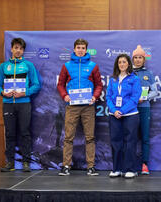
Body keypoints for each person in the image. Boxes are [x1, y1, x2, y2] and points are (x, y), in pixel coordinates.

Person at [57, 38, 103, 176]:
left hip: (88, 106)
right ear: (74, 49)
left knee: (90, 137)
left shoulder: (93, 66)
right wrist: (65, 95)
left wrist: (95, 96)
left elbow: (99, 85)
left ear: (86, 50)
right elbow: (60, 84)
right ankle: (66, 166)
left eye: (83, 48)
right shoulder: (67, 66)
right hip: (72, 106)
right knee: (68, 137)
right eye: (78, 48)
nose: (81, 50)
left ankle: (91, 166)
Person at [0, 38, 41, 172]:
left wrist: (24, 93)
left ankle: (26, 162)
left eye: (20, 48)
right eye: (16, 48)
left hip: (24, 103)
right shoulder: (4, 66)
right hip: (8, 104)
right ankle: (10, 162)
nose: (18, 50)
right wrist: (3, 93)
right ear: (12, 49)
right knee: (9, 133)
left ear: (23, 51)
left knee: (25, 133)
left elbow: (36, 85)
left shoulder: (29, 65)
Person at [106, 54, 142, 179]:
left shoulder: (134, 79)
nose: (122, 64)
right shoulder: (112, 80)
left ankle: (130, 169)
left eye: (124, 62)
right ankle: (117, 169)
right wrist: (114, 110)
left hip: (130, 114)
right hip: (114, 115)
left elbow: (135, 97)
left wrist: (122, 110)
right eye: (120, 62)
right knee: (116, 142)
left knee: (130, 142)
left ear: (128, 64)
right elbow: (108, 97)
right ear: (117, 64)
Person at [132, 45, 158, 175]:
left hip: (144, 108)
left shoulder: (149, 74)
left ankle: (144, 164)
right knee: (130, 137)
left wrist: (145, 97)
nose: (137, 60)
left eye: (140, 57)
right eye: (135, 57)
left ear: (144, 59)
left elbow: (155, 92)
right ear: (132, 59)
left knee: (145, 137)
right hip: (130, 110)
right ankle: (130, 165)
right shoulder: (128, 73)